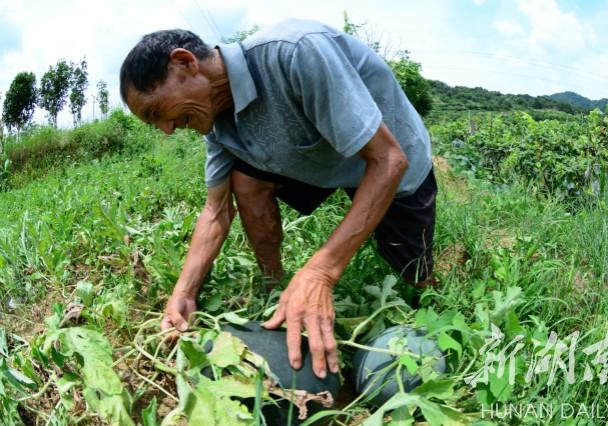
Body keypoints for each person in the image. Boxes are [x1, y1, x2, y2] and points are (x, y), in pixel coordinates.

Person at [119, 18, 437, 380]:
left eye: (156, 112)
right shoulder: (216, 122)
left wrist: (320, 272)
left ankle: (426, 304)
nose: (166, 130)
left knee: (415, 277)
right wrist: (184, 291)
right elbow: (215, 210)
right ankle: (276, 288)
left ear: (185, 63)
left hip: (389, 156)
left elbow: (389, 160)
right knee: (244, 177)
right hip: (311, 156)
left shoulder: (295, 52)